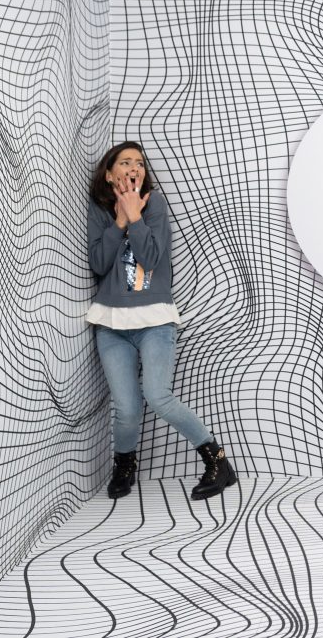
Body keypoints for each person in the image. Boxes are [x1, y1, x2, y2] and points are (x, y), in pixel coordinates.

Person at [87, 141, 237, 500]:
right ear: (110, 175)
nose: (134, 167)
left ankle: (217, 460)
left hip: (155, 321)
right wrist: (120, 220)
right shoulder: (99, 210)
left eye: (139, 162)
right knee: (125, 407)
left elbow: (151, 257)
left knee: (158, 395)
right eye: (125, 162)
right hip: (111, 325)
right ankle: (125, 464)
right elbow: (98, 263)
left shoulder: (154, 204)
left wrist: (135, 217)